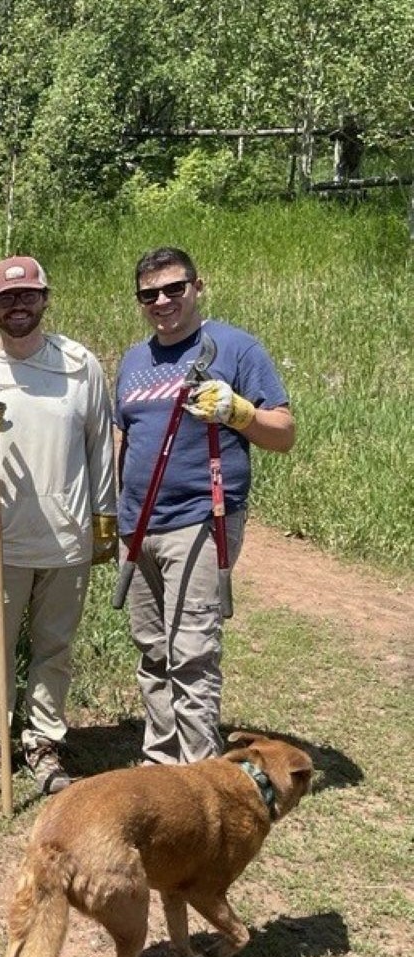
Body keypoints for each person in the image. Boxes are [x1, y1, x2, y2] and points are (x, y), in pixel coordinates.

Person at [0, 256, 117, 796]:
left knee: (53, 649)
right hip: (0, 539)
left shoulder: (79, 364)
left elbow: (100, 444)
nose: (18, 306)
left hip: (66, 537)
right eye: (6, 299)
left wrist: (103, 518)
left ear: (45, 299)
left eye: (28, 296)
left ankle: (43, 745)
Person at [116, 247, 295, 764]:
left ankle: (200, 777)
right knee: (152, 649)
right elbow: (122, 438)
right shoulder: (134, 360)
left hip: (201, 520)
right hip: (138, 523)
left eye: (174, 288)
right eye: (150, 294)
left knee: (190, 652)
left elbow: (283, 433)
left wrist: (238, 412)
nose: (163, 301)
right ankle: (161, 760)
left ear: (198, 286)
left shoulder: (235, 350)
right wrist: (112, 514)